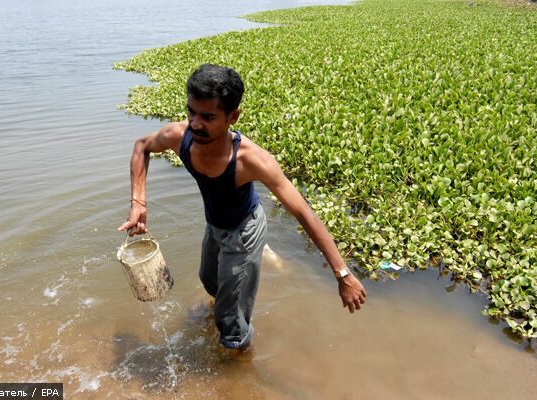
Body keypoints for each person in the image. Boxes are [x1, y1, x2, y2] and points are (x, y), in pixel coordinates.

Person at [118, 64, 366, 356]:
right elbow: (141, 146)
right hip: (215, 223)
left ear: (232, 116)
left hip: (244, 229)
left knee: (230, 322)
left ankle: (241, 361)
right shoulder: (179, 136)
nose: (196, 124)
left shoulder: (252, 160)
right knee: (209, 281)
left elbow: (304, 213)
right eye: (191, 112)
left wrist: (342, 274)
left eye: (208, 117)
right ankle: (253, 270)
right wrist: (138, 203)